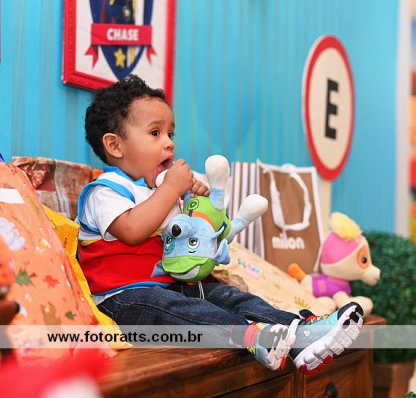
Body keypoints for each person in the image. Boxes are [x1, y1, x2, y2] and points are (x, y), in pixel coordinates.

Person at [76, 75, 364, 375]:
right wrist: (171, 189)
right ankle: (252, 336)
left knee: (227, 295)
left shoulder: (157, 191)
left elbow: (188, 244)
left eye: (171, 133)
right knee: (180, 308)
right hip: (122, 303)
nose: (169, 143)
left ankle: (300, 331)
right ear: (115, 145)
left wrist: (196, 206)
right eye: (155, 132)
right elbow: (133, 230)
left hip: (173, 289)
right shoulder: (105, 191)